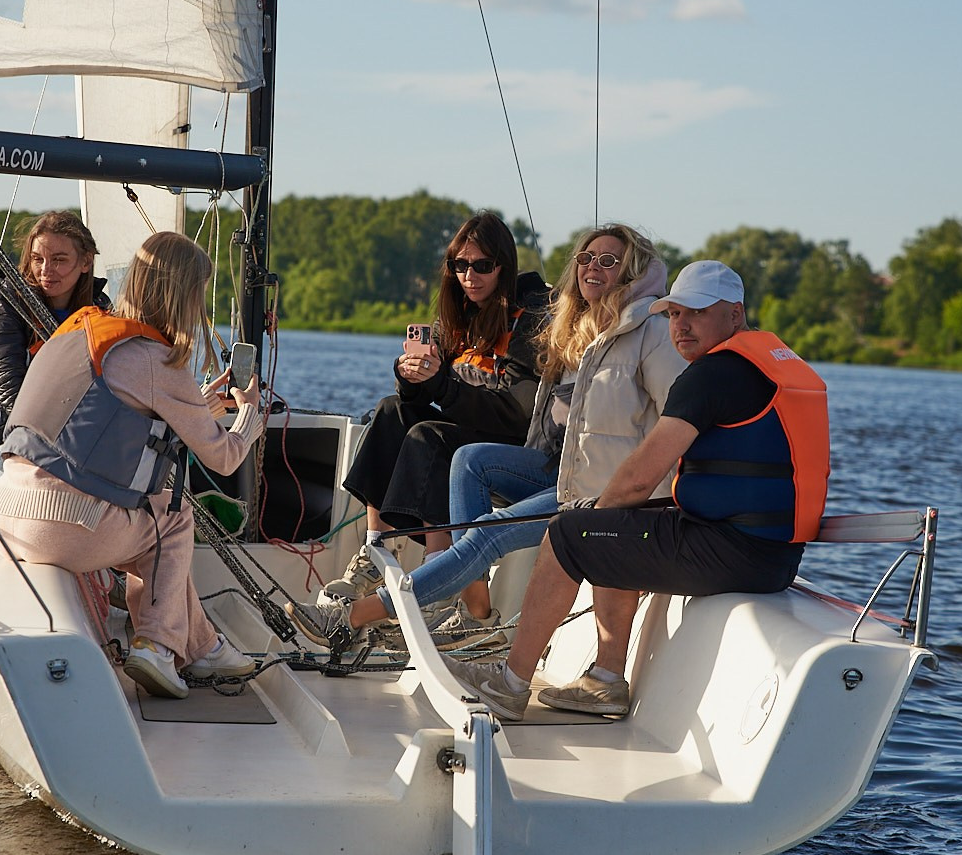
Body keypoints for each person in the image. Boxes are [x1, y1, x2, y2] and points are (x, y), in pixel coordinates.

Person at [446, 259, 831, 722]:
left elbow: (639, 477)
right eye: (673, 314)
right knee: (618, 527)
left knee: (572, 533)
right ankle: (605, 681)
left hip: (731, 551)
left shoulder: (713, 374)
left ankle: (509, 685)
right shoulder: (770, 365)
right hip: (774, 557)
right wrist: (609, 518)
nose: (682, 326)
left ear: (734, 314)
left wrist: (591, 519)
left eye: (697, 313)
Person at [293, 225, 686, 649]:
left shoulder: (651, 332)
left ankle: (358, 615)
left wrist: (663, 495)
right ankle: (468, 610)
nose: (592, 267)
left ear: (632, 272)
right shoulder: (581, 327)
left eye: (609, 261)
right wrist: (412, 378)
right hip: (561, 467)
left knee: (484, 527)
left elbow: (679, 419)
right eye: (586, 259)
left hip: (604, 487)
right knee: (466, 457)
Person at [0, 231, 265, 700]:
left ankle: (204, 647)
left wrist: (198, 411)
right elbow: (224, 456)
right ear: (185, 297)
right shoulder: (159, 360)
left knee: (151, 522)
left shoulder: (80, 327)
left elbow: (102, 425)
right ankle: (156, 646)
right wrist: (249, 418)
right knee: (172, 520)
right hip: (60, 527)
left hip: (4, 509)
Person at [338, 211, 550, 562]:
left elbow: (517, 413)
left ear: (504, 267)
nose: (469, 276)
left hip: (514, 445)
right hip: (471, 427)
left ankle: (436, 569)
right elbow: (425, 393)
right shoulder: (456, 315)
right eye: (460, 265)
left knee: (429, 437)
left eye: (483, 265)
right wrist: (409, 376)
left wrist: (443, 386)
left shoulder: (529, 319)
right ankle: (375, 551)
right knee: (391, 409)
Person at [0, 210, 111, 493]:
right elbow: (12, 399)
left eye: (59, 260)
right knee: (62, 476)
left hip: (70, 450)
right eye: (37, 259)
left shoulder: (99, 311)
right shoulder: (4, 304)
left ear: (86, 261)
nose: (45, 270)